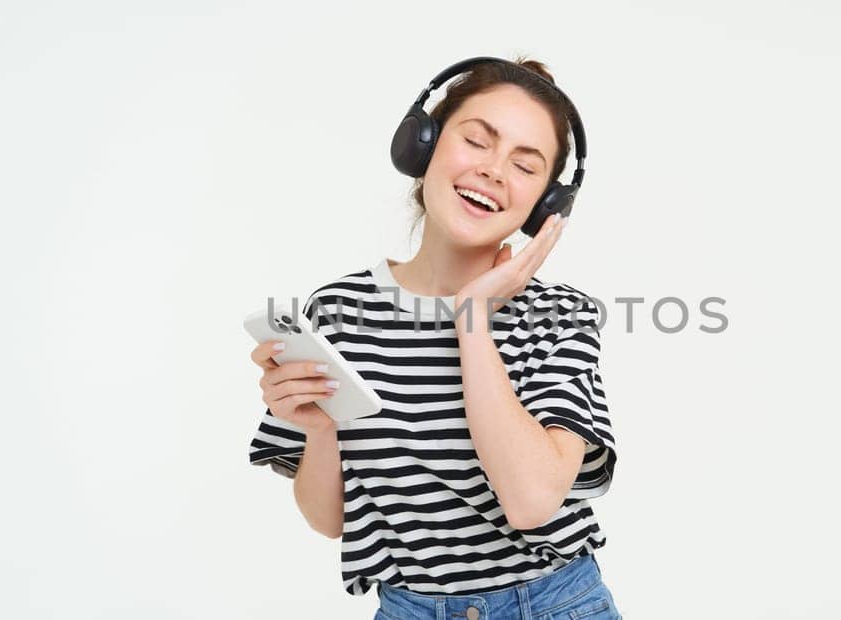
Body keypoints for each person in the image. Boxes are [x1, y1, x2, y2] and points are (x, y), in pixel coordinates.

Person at [247, 56, 622, 619]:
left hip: (550, 605)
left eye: (525, 165)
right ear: (423, 145)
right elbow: (330, 521)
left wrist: (471, 318)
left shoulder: (558, 316)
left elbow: (531, 502)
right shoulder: (338, 312)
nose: (494, 170)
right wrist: (320, 429)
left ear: (546, 204)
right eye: (477, 140)